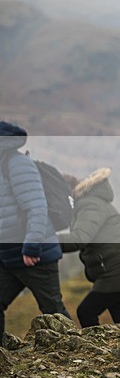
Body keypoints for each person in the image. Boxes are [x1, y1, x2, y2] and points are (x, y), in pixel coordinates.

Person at [0, 121, 71, 339]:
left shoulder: (16, 164)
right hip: (7, 256)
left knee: (52, 310)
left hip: (35, 255)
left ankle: (78, 351)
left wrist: (31, 246)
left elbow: (37, 207)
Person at [59, 168, 120, 327]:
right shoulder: (90, 202)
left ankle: (94, 347)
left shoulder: (89, 204)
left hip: (117, 272)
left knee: (86, 311)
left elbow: (79, 238)